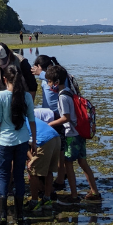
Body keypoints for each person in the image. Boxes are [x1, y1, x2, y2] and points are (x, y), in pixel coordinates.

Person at [45, 65, 101, 204]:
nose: (48, 85)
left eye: (50, 82)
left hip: (72, 134)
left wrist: (50, 124)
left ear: (56, 82)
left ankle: (74, 195)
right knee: (83, 162)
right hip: (80, 132)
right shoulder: (70, 91)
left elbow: (66, 118)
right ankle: (94, 191)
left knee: (67, 164)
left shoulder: (62, 96)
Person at [0, 65, 36, 225]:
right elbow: (32, 121)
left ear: (4, 80)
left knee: (3, 176)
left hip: (5, 142)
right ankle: (19, 216)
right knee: (19, 176)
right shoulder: (27, 97)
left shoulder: (1, 96)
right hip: (22, 141)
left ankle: (2, 216)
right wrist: (34, 142)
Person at [32, 55, 70, 191]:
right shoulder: (45, 79)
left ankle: (60, 179)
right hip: (48, 117)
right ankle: (59, 176)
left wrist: (41, 73)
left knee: (60, 151)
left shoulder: (54, 78)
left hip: (57, 117)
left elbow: (56, 79)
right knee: (56, 150)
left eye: (38, 67)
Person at [25, 112, 60, 212]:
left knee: (33, 171)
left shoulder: (18, 121)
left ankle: (34, 202)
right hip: (55, 137)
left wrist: (31, 160)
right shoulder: (29, 117)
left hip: (44, 140)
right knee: (48, 170)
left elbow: (23, 144)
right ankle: (47, 199)